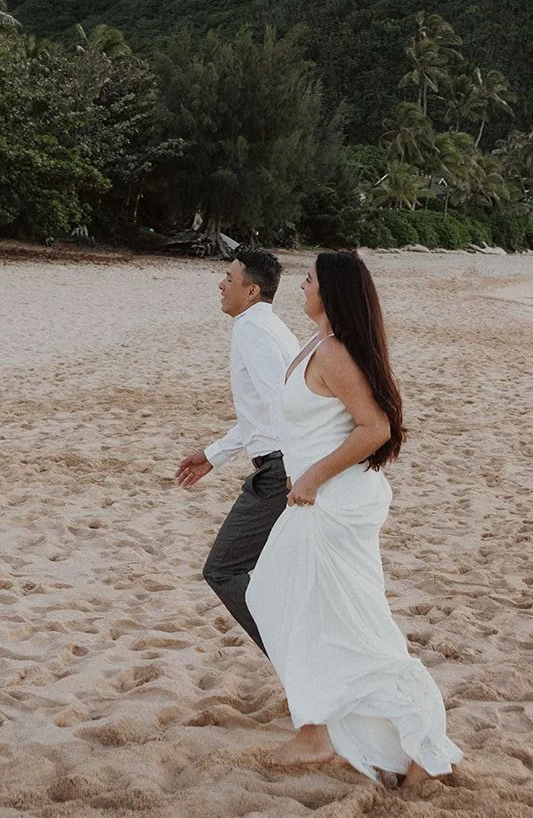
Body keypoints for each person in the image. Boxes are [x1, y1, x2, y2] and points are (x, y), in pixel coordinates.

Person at [246, 251, 461, 786]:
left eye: (309, 279)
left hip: (332, 504)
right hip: (316, 501)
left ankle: (414, 746)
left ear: (332, 292)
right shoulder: (315, 344)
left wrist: (313, 476)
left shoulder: (334, 352)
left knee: (355, 625)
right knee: (284, 601)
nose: (301, 285)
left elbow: (376, 427)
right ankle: (317, 729)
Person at [175, 246, 299, 651]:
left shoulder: (253, 331)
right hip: (284, 466)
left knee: (223, 569)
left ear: (251, 291)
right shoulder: (269, 325)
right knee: (277, 575)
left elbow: (279, 405)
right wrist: (214, 455)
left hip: (280, 473)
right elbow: (261, 415)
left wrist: (295, 472)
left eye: (229, 278)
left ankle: (292, 660)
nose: (221, 284)